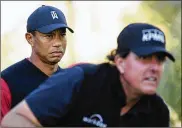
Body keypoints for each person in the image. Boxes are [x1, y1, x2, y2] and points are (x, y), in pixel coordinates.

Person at [1, 23, 175, 127]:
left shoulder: (158, 112)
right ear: (120, 62)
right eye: (144, 58)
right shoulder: (79, 80)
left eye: (159, 60)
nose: (154, 67)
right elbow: (14, 120)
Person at [0, 5, 74, 121]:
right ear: (30, 38)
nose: (57, 43)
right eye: (49, 36)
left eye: (62, 35)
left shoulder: (70, 81)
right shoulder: (7, 82)